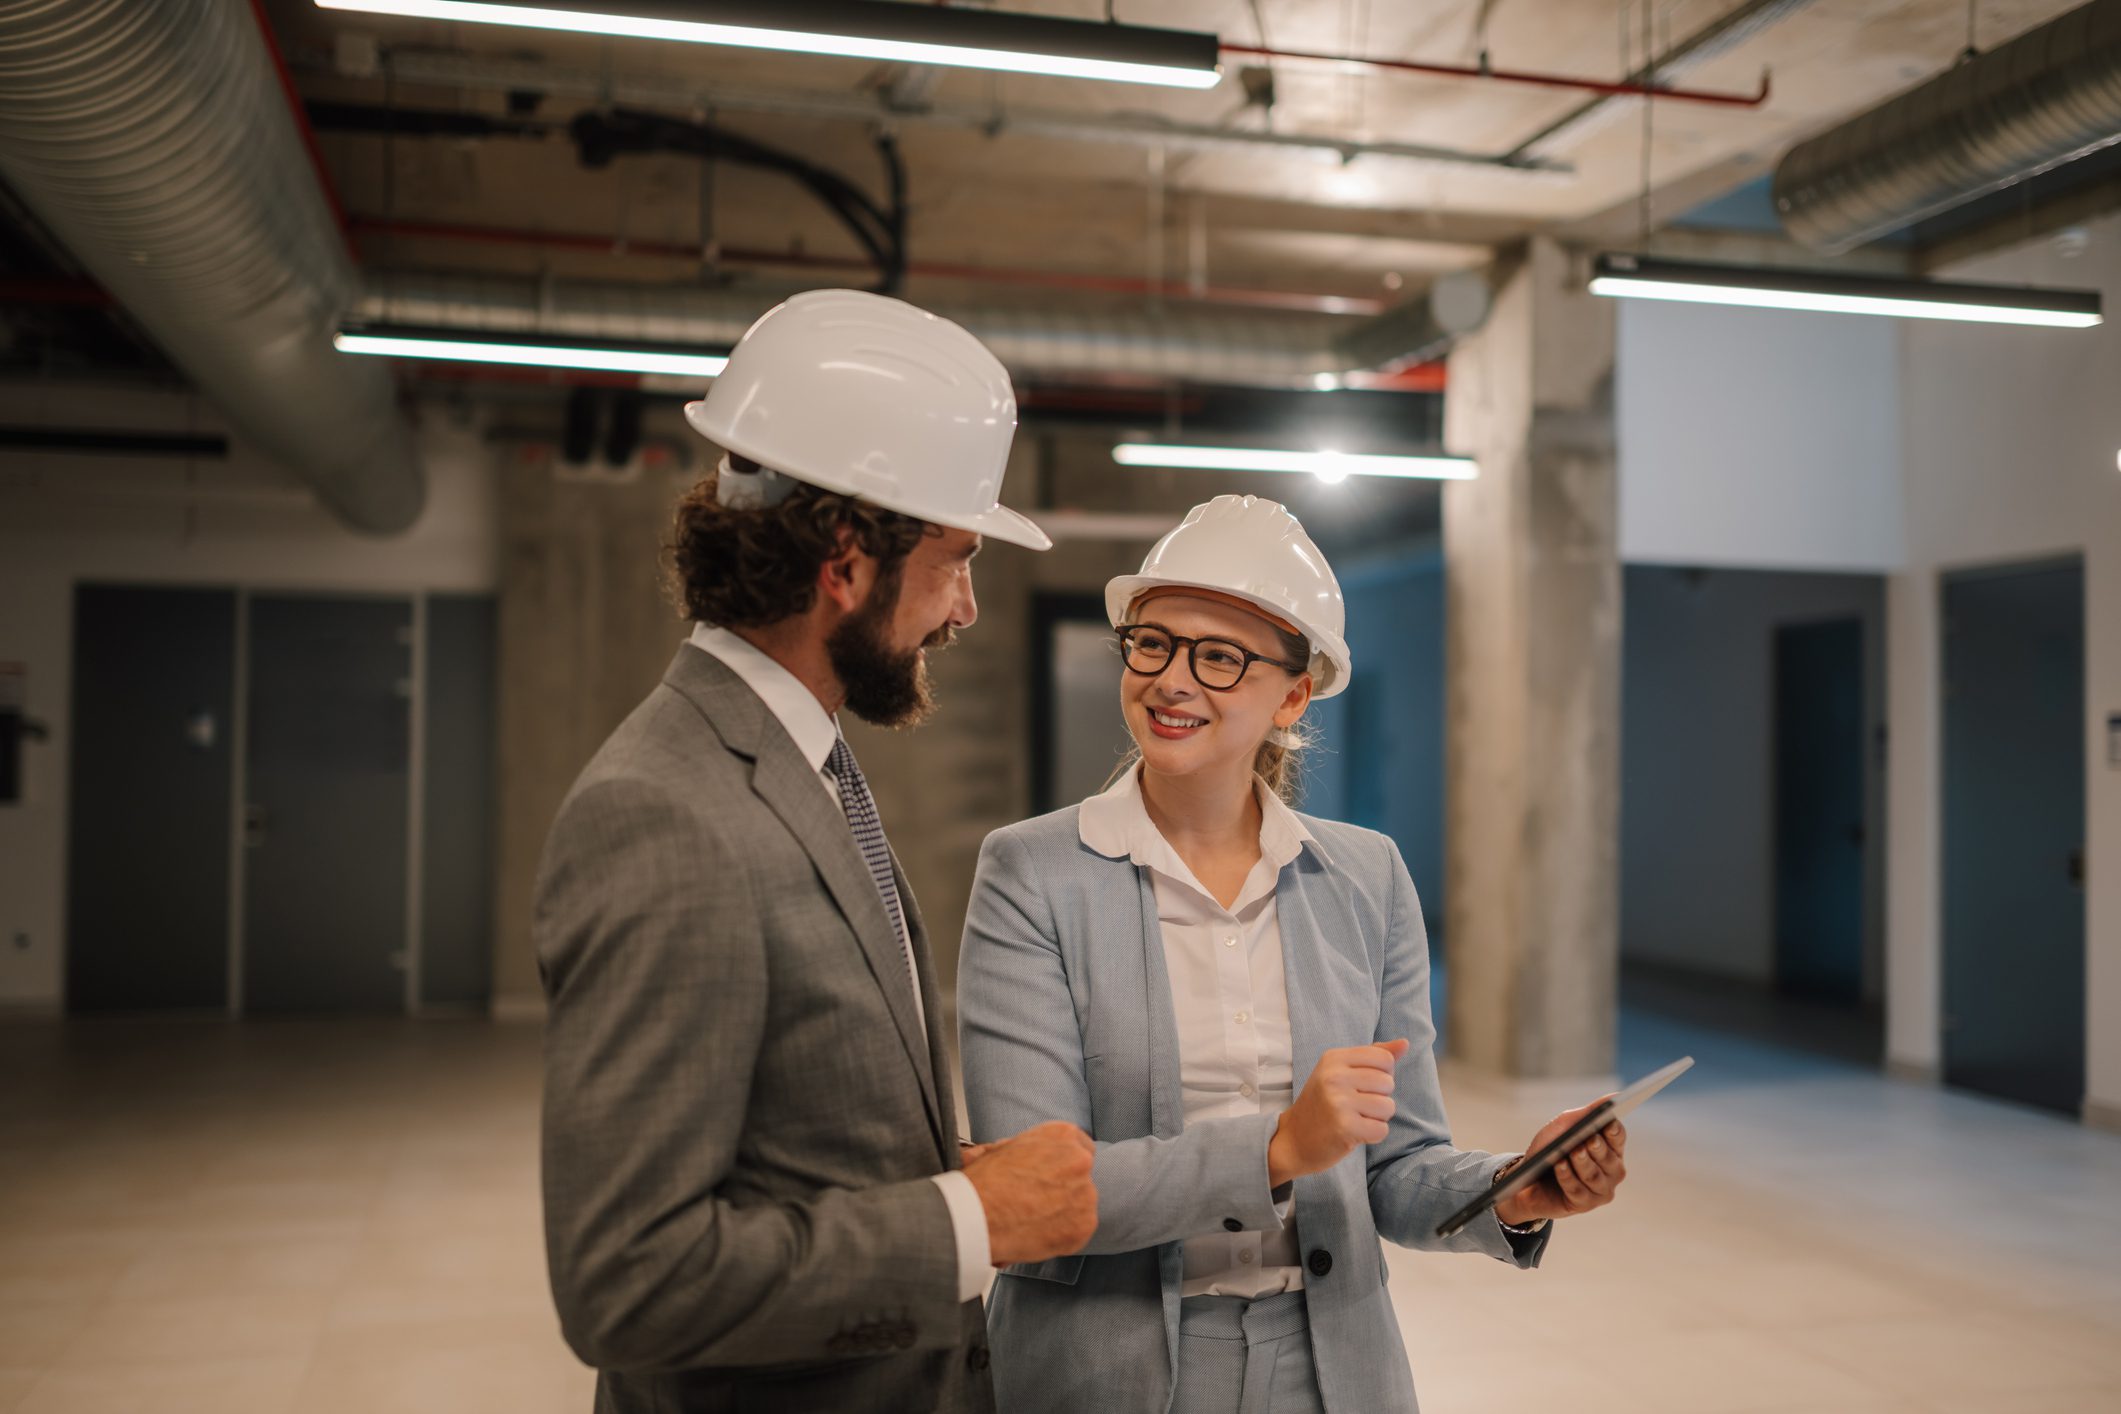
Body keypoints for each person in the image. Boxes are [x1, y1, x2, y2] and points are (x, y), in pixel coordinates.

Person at [535, 289, 1099, 1414]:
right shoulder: (666, 814)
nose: (967, 608)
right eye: (954, 560)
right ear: (846, 559)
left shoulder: (801, 761)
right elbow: (627, 1280)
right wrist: (965, 1224)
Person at [957, 494, 1630, 1414]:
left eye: (1219, 657)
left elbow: (1394, 1169)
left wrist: (1509, 1191)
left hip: (1327, 1368)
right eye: (1152, 643)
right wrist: (1278, 1148)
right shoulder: (1031, 874)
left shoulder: (1365, 877)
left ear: (1293, 694)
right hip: (1103, 1369)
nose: (1170, 680)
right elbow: (1034, 1199)